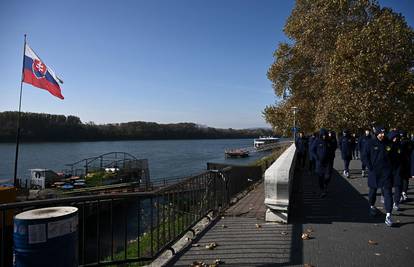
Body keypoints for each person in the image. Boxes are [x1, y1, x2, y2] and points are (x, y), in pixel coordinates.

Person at [364, 125, 394, 227]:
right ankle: (372, 206)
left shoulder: (389, 143)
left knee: (388, 193)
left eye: (384, 133)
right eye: (380, 133)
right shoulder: (370, 143)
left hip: (386, 173)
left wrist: (392, 169)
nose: (382, 135)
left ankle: (388, 215)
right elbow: (365, 156)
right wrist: (370, 167)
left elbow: (394, 157)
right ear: (376, 133)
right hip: (374, 173)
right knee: (372, 192)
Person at [311, 128, 332, 197]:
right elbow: (312, 150)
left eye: (325, 135)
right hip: (319, 163)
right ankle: (322, 190)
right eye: (323, 135)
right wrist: (316, 158)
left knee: (328, 176)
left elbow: (332, 149)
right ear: (320, 135)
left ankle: (325, 185)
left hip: (327, 162)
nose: (324, 136)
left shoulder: (328, 141)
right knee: (320, 177)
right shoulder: (317, 141)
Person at [388, 130, 402, 211]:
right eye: (394, 137)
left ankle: (396, 202)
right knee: (388, 186)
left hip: (398, 169)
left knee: (398, 185)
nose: (396, 138)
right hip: (389, 169)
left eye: (397, 137)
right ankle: (386, 197)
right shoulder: (388, 145)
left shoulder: (399, 145)